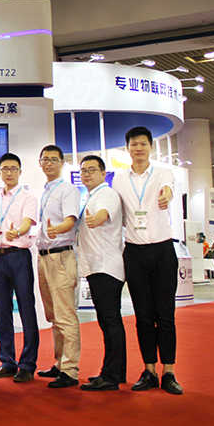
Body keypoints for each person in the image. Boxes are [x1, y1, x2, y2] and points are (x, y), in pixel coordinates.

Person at [112, 126, 182, 395]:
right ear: (127, 148)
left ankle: (169, 372)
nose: (138, 148)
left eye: (143, 143)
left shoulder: (163, 172)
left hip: (162, 250)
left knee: (165, 314)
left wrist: (166, 196)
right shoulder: (119, 179)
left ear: (151, 147)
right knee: (142, 315)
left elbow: (168, 188)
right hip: (134, 252)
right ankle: (149, 370)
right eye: (134, 144)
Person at [0, 152, 39, 383]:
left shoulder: (28, 198)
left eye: (13, 169)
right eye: (5, 169)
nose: (9, 173)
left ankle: (27, 364)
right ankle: (7, 361)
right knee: (1, 311)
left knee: (27, 308)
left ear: (20, 172)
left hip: (19, 257)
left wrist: (17, 231)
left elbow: (27, 223)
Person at [76, 155, 127, 391]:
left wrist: (96, 219)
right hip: (98, 266)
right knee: (108, 321)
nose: (86, 174)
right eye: (83, 171)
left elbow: (103, 214)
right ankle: (116, 372)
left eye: (92, 170)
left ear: (103, 173)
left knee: (110, 321)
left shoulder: (106, 194)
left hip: (105, 267)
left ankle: (111, 375)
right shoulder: (91, 196)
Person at [34, 145, 81, 388]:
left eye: (54, 159)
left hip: (61, 255)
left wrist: (57, 230)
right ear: (40, 163)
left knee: (65, 315)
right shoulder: (46, 191)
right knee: (53, 315)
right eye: (45, 159)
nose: (49, 163)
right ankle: (60, 363)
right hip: (44, 257)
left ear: (63, 163)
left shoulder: (68, 189)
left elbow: (71, 221)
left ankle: (70, 370)